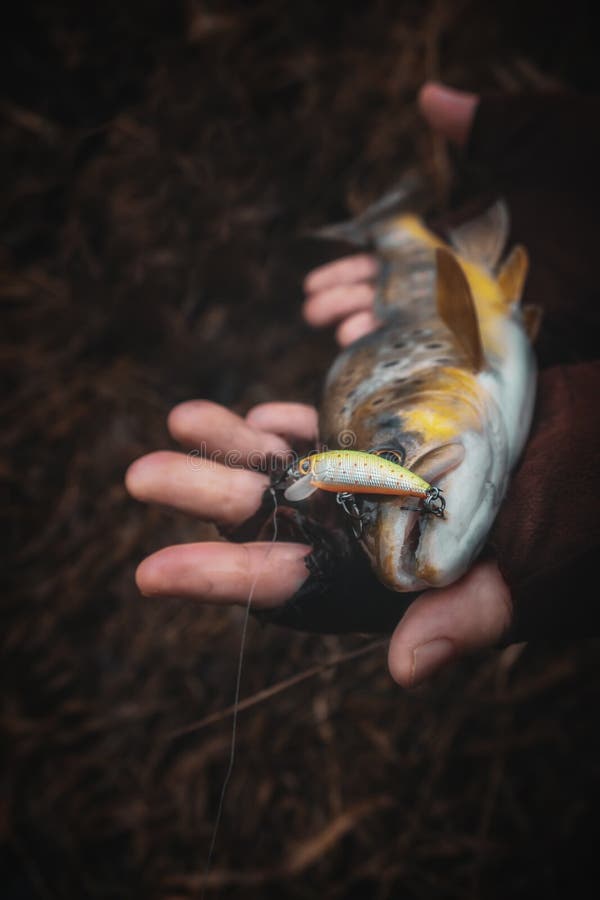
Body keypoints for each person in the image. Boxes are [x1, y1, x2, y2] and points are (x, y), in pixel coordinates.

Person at [125, 83, 600, 688]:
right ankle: (390, 221)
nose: (387, 518)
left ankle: (392, 222)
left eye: (391, 458)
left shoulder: (461, 358)